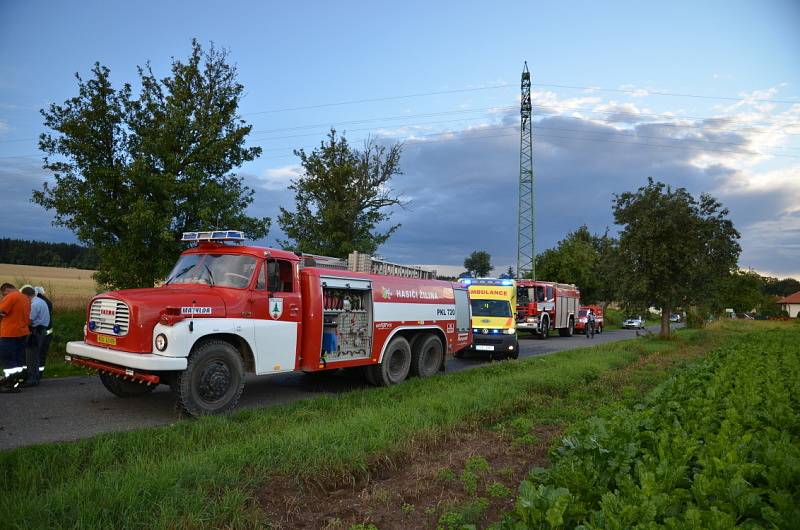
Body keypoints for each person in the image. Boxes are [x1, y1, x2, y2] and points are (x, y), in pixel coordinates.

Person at [0, 283, 31, 392]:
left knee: (8, 359)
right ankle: (16, 382)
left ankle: (10, 385)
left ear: (7, 290)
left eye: (3, 294)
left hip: (9, 333)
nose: (3, 296)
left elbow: (1, 312)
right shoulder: (24, 297)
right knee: (17, 359)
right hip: (22, 332)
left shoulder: (11, 296)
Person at [22, 285, 50, 386]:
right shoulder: (41, 301)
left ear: (26, 296)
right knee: (36, 356)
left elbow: (29, 320)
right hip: (41, 332)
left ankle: (31, 379)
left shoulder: (34, 304)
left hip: (35, 332)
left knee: (31, 356)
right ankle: (36, 377)